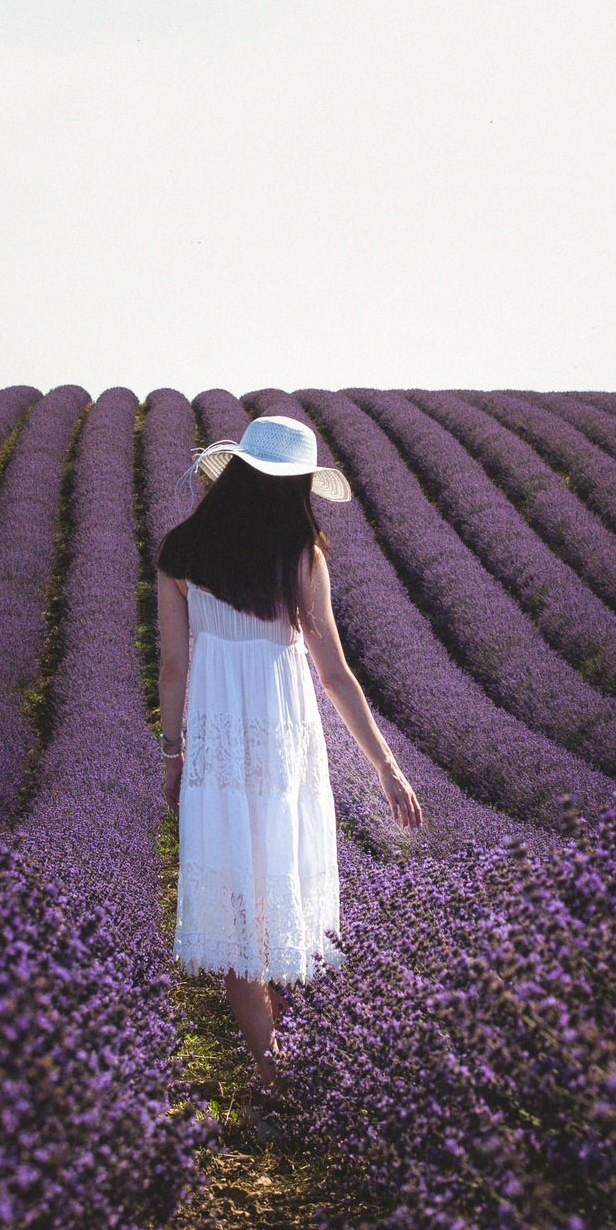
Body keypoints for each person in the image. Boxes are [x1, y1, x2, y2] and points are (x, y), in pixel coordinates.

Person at [155, 413, 422, 1088]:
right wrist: (386, 768)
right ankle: (289, 1075)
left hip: (216, 755)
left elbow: (172, 668)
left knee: (241, 931)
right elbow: (333, 672)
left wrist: (173, 753)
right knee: (284, 908)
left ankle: (274, 1075)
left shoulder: (181, 552)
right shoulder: (300, 553)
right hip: (282, 752)